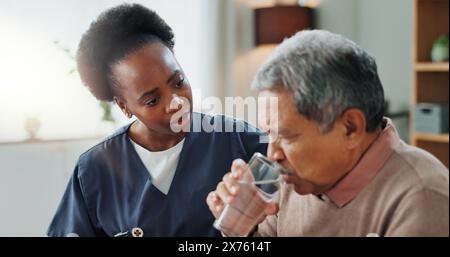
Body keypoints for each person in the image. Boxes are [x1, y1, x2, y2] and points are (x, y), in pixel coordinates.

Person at [47, 3, 266, 237]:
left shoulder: (238, 141)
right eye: (152, 100)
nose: (176, 102)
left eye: (178, 82)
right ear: (124, 106)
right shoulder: (94, 170)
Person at [207, 30, 449, 237]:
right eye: (268, 134)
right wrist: (243, 228)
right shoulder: (289, 179)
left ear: (350, 128)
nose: (272, 154)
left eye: (288, 137)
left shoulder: (423, 197)